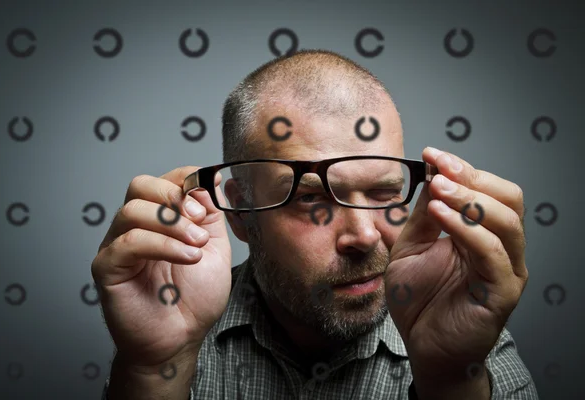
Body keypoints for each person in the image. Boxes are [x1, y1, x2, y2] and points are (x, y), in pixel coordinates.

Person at [93, 49, 538, 399]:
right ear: (241, 214)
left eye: (384, 193)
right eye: (309, 198)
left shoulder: (471, 348)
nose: (364, 236)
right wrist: (151, 372)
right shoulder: (177, 335)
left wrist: (449, 383)